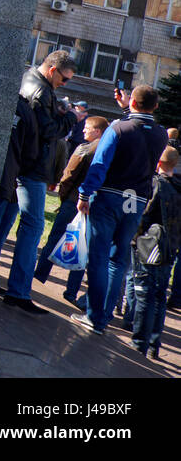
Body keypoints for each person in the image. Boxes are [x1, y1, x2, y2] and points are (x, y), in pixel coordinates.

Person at [71, 84, 169, 334]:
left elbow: (100, 164)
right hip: (136, 201)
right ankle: (102, 318)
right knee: (118, 260)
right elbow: (140, 132)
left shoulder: (117, 128)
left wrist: (85, 193)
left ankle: (94, 316)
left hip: (109, 197)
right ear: (155, 106)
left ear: (133, 103)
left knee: (99, 258)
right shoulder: (161, 134)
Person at [0, 50, 77, 314]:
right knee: (33, 227)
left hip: (24, 168)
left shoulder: (33, 83)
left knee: (5, 222)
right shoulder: (40, 92)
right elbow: (48, 131)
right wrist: (70, 117)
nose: (65, 84)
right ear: (52, 70)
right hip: (32, 171)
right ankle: (18, 291)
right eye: (64, 79)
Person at [32, 115, 107, 304]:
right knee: (83, 248)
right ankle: (71, 291)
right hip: (93, 206)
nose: (83, 131)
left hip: (73, 201)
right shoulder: (109, 152)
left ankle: (38, 277)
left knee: (54, 240)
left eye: (87, 128)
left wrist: (64, 197)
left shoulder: (85, 149)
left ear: (97, 131)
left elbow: (69, 176)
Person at [127, 147, 181, 358]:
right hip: (170, 247)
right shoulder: (176, 186)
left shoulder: (156, 184)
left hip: (149, 245)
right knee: (159, 295)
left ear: (158, 163)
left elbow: (143, 215)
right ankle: (153, 343)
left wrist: (133, 237)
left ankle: (140, 341)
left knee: (145, 293)